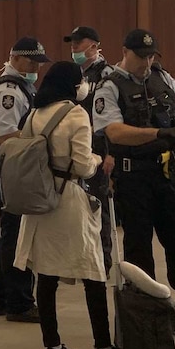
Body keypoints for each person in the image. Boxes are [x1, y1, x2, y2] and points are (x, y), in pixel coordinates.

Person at [92, 29, 175, 340]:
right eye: (142, 56)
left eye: (151, 55)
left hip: (170, 175)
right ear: (125, 51)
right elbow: (113, 131)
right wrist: (157, 134)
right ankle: (148, 319)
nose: (147, 61)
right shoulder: (109, 87)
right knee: (139, 249)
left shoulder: (162, 78)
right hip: (134, 177)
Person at [13, 61, 124, 349]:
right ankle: (102, 347)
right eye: (80, 82)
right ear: (71, 85)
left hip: (39, 201)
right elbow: (83, 165)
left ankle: (52, 345)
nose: (83, 86)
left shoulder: (34, 114)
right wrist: (99, 159)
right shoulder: (76, 114)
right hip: (70, 200)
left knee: (46, 273)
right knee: (92, 271)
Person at [0, 36, 49, 323]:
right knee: (17, 236)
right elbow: (5, 136)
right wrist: (42, 141)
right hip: (12, 167)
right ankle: (19, 304)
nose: (36, 67)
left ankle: (0, 299)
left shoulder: (23, 87)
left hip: (17, 166)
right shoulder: (7, 92)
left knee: (12, 234)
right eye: (32, 61)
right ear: (16, 58)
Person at [64, 26, 114, 274]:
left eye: (78, 43)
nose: (74, 48)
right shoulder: (73, 73)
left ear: (94, 45)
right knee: (75, 205)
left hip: (99, 147)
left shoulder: (107, 74)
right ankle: (79, 258)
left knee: (98, 205)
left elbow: (113, 119)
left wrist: (110, 152)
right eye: (72, 43)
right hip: (75, 148)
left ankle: (102, 259)